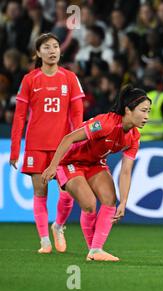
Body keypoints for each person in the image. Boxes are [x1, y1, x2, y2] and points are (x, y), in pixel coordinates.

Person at [41, 85, 151, 261]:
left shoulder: (134, 136)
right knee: (89, 203)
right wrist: (53, 166)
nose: (147, 117)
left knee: (110, 201)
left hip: (94, 163)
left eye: (149, 112)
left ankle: (95, 250)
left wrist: (124, 201)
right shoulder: (105, 123)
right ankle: (89, 247)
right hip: (70, 162)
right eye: (143, 111)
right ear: (128, 110)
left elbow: (126, 171)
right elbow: (69, 138)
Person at [9, 33, 84, 254]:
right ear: (38, 53)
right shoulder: (29, 79)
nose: (52, 51)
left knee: (67, 193)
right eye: (47, 47)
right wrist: (15, 149)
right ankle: (44, 241)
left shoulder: (69, 78)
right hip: (36, 145)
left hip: (63, 146)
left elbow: (77, 113)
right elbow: (19, 117)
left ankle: (58, 226)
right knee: (40, 192)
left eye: (56, 46)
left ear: (61, 51)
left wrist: (77, 142)